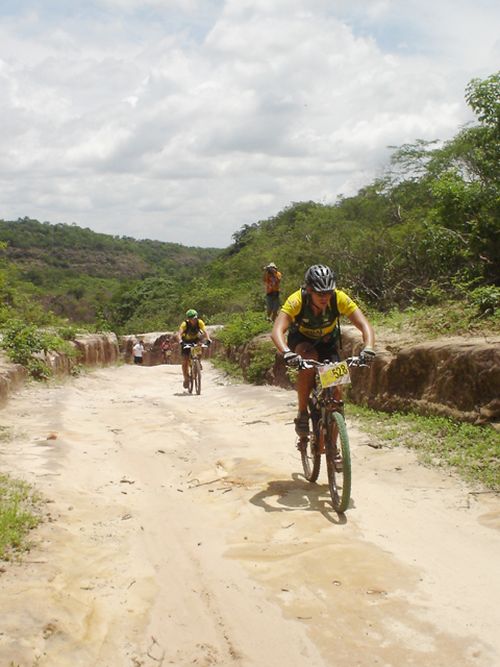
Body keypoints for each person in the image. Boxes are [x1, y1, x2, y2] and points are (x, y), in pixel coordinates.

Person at [271, 264, 375, 436]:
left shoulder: (339, 298)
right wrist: (287, 353)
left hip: (328, 341)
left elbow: (364, 325)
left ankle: (335, 448)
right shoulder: (297, 300)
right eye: (320, 293)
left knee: (336, 388)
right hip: (302, 341)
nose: (325, 297)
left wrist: (369, 348)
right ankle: (302, 412)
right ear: (309, 290)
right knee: (308, 360)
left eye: (328, 292)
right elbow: (277, 330)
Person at [177, 309, 212, 389]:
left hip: (196, 340)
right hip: (186, 341)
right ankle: (186, 378)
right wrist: (180, 341)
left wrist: (208, 339)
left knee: (199, 348)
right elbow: (179, 334)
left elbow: (205, 331)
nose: (195, 320)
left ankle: (198, 363)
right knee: (185, 361)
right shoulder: (184, 324)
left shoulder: (200, 322)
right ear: (189, 319)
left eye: (195, 318)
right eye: (193, 318)